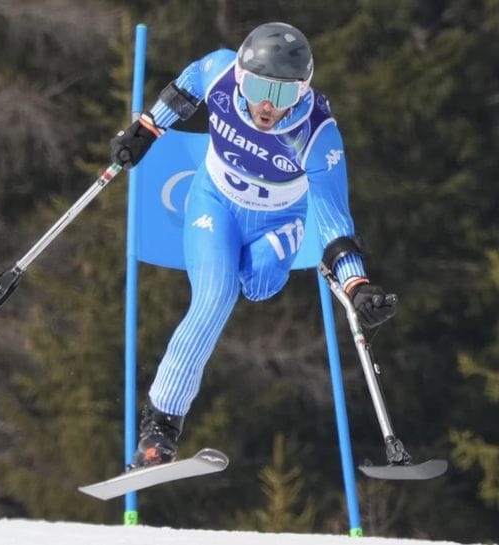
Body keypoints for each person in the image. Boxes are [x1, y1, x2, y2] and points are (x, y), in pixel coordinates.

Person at [110, 22, 397, 468]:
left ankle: (262, 265)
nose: (267, 105)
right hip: (215, 204)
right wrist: (147, 128)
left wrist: (356, 285)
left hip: (278, 222)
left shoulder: (317, 136)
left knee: (261, 282)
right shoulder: (221, 72)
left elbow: (335, 222)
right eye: (259, 88)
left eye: (283, 93)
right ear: (241, 76)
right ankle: (159, 430)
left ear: (303, 90)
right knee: (214, 298)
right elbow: (188, 84)